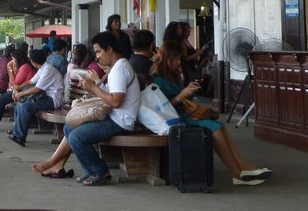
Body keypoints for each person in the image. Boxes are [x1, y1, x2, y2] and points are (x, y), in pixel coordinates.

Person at [151, 40, 272, 186]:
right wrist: (182, 95)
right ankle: (237, 172)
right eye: (175, 59)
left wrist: (187, 89)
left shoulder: (171, 75)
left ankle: (243, 167)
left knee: (219, 126)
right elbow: (161, 108)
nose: (178, 62)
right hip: (175, 118)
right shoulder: (157, 79)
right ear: (167, 59)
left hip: (184, 114)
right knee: (213, 128)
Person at [32, 30, 141, 185]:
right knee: (70, 128)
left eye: (99, 51)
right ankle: (61, 165)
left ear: (109, 49)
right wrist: (97, 84)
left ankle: (99, 172)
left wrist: (92, 87)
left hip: (120, 121)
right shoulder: (119, 66)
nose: (97, 56)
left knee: (77, 138)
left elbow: (116, 101)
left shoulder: (120, 69)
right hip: (112, 115)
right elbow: (112, 94)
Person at [6, 48, 64, 146]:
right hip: (47, 97)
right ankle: (17, 132)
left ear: (33, 62)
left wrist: (20, 94)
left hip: (53, 100)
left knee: (25, 105)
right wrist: (19, 87)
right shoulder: (43, 68)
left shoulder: (48, 70)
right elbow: (31, 81)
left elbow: (37, 89)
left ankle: (20, 137)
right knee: (21, 103)